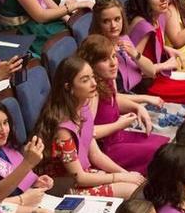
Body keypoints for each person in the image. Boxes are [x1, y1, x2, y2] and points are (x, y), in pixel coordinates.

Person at [34, 56, 146, 198]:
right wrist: (118, 178)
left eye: (92, 77)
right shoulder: (62, 129)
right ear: (68, 87)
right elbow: (78, 177)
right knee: (131, 191)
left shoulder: (84, 108)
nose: (94, 84)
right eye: (85, 80)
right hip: (61, 186)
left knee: (137, 184)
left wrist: (125, 174)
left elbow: (95, 154)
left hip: (83, 175)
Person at [90, 0, 185, 110]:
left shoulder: (122, 38)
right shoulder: (99, 51)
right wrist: (145, 98)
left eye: (117, 19)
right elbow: (112, 97)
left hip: (140, 90)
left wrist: (134, 54)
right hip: (128, 100)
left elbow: (149, 71)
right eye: (106, 21)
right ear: (98, 23)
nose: (113, 25)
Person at [78, 34, 170, 174]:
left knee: (167, 146)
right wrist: (118, 125)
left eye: (114, 56)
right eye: (104, 59)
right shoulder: (92, 93)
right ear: (91, 65)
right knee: (163, 156)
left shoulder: (108, 78)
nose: (113, 63)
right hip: (106, 149)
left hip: (119, 136)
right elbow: (88, 132)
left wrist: (136, 106)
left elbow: (113, 101)